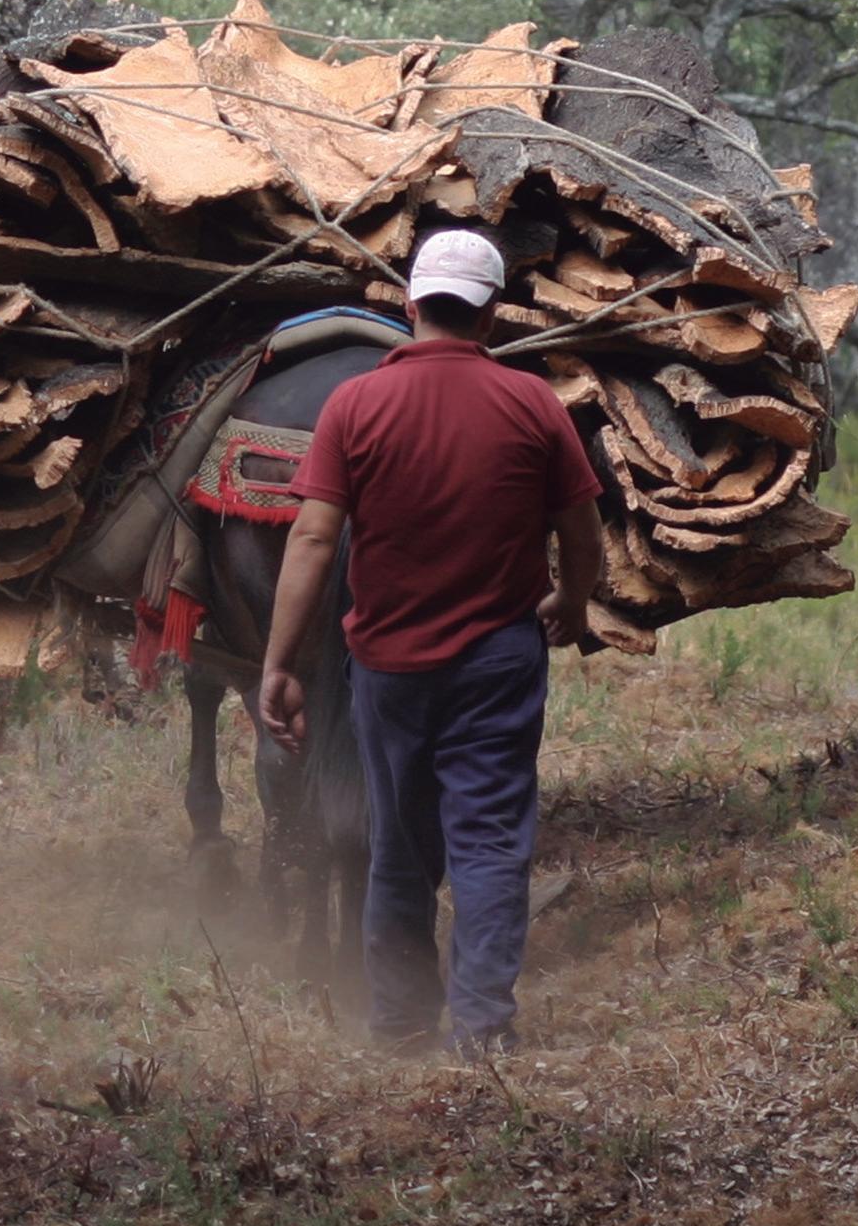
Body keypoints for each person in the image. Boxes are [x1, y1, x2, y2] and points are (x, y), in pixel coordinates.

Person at [259, 227, 604, 1055]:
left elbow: (313, 538)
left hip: (387, 665)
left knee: (398, 846)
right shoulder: (533, 403)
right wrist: (571, 599)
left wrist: (279, 663)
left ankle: (401, 1024)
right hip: (498, 660)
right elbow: (582, 530)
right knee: (489, 843)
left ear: (411, 305)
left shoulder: (355, 405)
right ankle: (481, 1029)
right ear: (489, 316)